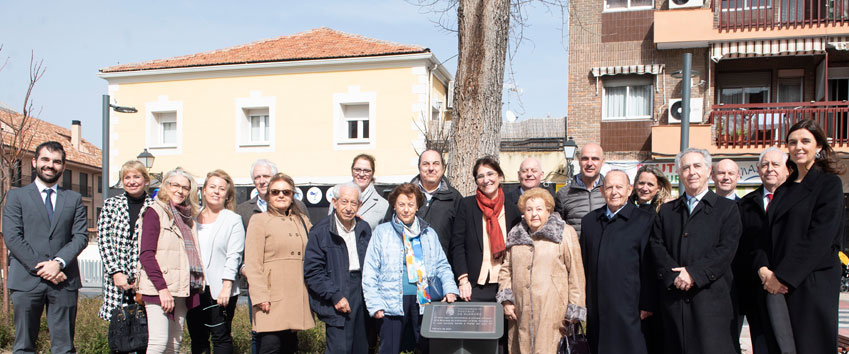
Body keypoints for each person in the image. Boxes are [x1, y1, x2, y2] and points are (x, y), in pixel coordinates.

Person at [754, 120, 845, 354]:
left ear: (819, 146)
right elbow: (766, 235)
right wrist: (764, 269)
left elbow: (820, 237)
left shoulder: (828, 184)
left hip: (812, 281)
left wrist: (783, 277)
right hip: (776, 283)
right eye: (792, 142)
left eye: (805, 141)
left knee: (811, 345)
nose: (798, 147)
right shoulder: (784, 188)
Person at [650, 148, 742, 354]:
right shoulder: (667, 211)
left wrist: (693, 273)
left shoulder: (727, 209)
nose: (692, 172)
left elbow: (726, 249)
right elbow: (657, 245)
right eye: (686, 168)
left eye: (697, 166)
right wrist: (674, 275)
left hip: (711, 302)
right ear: (680, 174)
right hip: (675, 301)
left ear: (709, 171)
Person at [3, 141, 88, 354]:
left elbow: (80, 237)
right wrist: (45, 268)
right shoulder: (16, 197)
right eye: (45, 159)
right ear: (34, 162)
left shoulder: (74, 198)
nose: (50, 165)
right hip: (25, 281)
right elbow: (13, 237)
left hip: (64, 281)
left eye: (56, 161)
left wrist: (58, 263)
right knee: (23, 346)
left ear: (63, 166)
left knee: (64, 347)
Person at [362, 183, 458, 354]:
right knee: (389, 349)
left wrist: (450, 289)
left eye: (410, 205)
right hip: (391, 303)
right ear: (394, 206)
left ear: (417, 206)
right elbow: (370, 271)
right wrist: (374, 304)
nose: (406, 210)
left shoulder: (429, 233)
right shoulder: (382, 232)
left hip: (423, 301)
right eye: (401, 205)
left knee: (426, 349)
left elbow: (442, 265)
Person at [497, 187, 586, 354]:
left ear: (549, 211)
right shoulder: (516, 234)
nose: (534, 214)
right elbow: (506, 270)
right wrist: (506, 300)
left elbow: (576, 274)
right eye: (529, 210)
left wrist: (574, 309)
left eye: (539, 209)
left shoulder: (565, 233)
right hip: (520, 313)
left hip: (553, 313)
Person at [580, 170, 655, 354]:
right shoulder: (590, 221)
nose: (614, 192)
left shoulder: (645, 220)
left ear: (630, 190)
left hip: (630, 306)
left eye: (619, 187)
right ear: (602, 192)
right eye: (609, 187)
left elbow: (650, 265)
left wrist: (647, 302)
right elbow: (583, 264)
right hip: (597, 306)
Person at [236, 159, 306, 354]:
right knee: (270, 346)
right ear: (268, 195)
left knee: (290, 346)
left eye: (286, 192)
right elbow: (252, 261)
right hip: (270, 296)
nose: (281, 195)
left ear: (293, 195)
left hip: (294, 293)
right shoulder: (259, 220)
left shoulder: (301, 220)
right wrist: (260, 296)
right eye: (275, 192)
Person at [137, 168, 204, 354]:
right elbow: (146, 254)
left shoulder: (187, 217)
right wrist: (162, 289)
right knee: (158, 343)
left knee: (173, 345)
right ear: (166, 185)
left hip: (182, 288)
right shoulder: (155, 212)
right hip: (160, 288)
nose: (180, 191)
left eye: (185, 187)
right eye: (175, 185)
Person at [304, 182, 372, 354]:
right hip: (337, 291)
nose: (349, 208)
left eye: (353, 203)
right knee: (339, 349)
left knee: (361, 347)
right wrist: (335, 296)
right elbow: (313, 272)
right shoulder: (320, 231)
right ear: (334, 202)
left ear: (360, 206)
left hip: (362, 293)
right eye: (344, 202)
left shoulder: (364, 229)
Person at [736, 147, 789, 354]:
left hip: (791, 286)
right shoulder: (746, 204)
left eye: (776, 164)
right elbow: (743, 244)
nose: (770, 169)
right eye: (765, 165)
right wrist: (762, 270)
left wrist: (782, 276)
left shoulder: (799, 200)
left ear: (787, 169)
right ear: (758, 170)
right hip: (757, 288)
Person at [186, 170, 245, 354]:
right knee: (198, 337)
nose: (216, 192)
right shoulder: (191, 219)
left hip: (220, 289)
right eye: (212, 187)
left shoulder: (233, 220)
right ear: (203, 190)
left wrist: (226, 286)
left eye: (221, 189)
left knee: (220, 336)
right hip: (194, 288)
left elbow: (234, 255)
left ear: (227, 195)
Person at [97, 160, 155, 327]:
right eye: (127, 177)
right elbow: (104, 240)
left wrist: (142, 276)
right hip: (118, 281)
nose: (131, 181)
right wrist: (115, 272)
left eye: (136, 177)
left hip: (144, 280)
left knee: (144, 331)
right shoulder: (111, 205)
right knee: (120, 333)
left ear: (145, 180)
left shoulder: (154, 207)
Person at [396, 149, 463, 256]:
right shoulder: (403, 196)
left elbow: (459, 240)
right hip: (408, 266)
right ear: (419, 168)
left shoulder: (454, 198)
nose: (431, 168)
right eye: (426, 164)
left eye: (436, 164)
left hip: (441, 267)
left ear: (443, 168)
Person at [237, 159, 308, 229]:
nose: (262, 181)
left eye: (266, 176)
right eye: (257, 177)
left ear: (275, 179)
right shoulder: (242, 211)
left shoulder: (298, 206)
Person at [555, 143, 606, 236]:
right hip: (576, 249)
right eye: (585, 159)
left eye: (595, 159)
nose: (589, 163)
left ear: (602, 162)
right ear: (579, 161)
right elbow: (557, 230)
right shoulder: (563, 194)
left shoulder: (610, 192)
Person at [329, 154, 389, 230]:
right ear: (352, 171)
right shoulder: (338, 195)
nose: (361, 174)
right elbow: (329, 226)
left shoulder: (383, 205)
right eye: (357, 170)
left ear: (372, 173)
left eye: (366, 171)